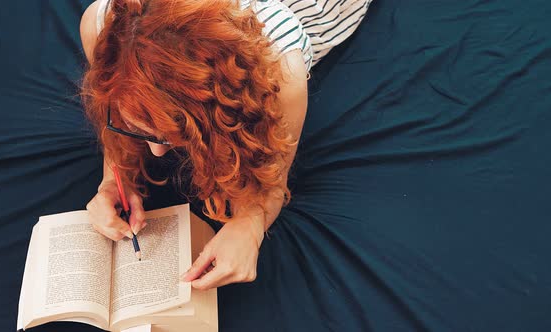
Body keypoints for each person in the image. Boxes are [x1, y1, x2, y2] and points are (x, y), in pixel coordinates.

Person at [80, 0, 372, 290]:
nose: (156, 152)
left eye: (177, 134)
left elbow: (273, 177)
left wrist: (250, 226)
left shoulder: (281, 66)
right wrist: (114, 177)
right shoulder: (102, 26)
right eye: (136, 127)